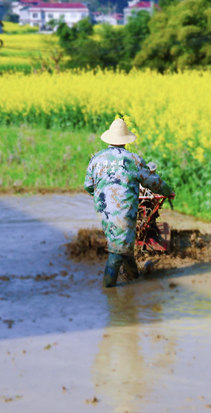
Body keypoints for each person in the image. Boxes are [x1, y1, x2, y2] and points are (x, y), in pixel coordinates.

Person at [84, 117, 174, 287]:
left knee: (122, 245)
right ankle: (108, 289)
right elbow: (153, 182)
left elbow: (88, 186)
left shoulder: (96, 159)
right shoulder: (133, 160)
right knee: (116, 254)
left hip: (104, 211)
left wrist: (102, 197)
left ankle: (135, 279)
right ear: (125, 140)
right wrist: (169, 191)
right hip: (124, 211)